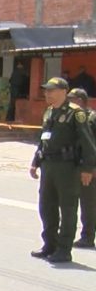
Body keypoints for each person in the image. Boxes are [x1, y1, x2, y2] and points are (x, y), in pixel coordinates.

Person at [30, 78, 96, 263]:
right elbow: (43, 138)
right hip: (48, 166)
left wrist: (87, 168)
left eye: (52, 90)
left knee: (67, 208)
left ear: (63, 92)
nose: (47, 93)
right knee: (46, 206)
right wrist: (35, 161)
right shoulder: (49, 112)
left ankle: (64, 249)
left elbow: (88, 143)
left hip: (67, 167)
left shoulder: (76, 114)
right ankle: (49, 244)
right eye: (46, 90)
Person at [67, 88, 96, 249]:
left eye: (71, 99)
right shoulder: (72, 118)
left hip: (88, 167)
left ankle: (88, 236)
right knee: (71, 203)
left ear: (79, 100)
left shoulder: (91, 118)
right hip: (72, 166)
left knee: (88, 204)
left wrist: (92, 167)